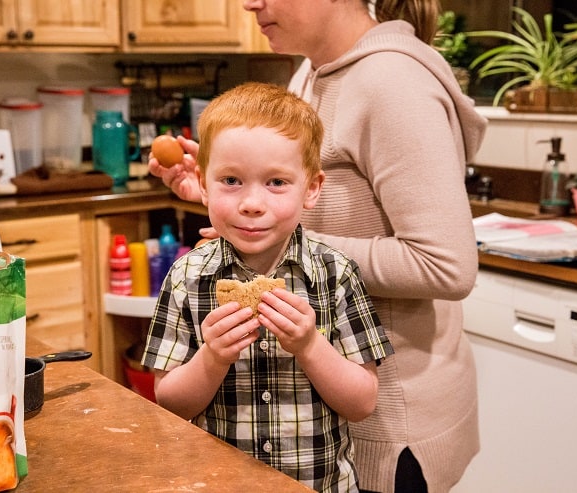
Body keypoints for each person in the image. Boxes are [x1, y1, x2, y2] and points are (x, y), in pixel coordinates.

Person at [148, 2, 488, 492]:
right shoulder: (311, 74)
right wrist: (231, 184)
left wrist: (288, 239)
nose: (250, 3)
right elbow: (305, 194)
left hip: (388, 426)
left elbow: (446, 266)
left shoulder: (393, 81)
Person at [142, 82, 395, 493]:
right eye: (231, 180)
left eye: (276, 182)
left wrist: (311, 346)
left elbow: (362, 403)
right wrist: (212, 358)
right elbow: (169, 401)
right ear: (203, 185)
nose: (252, 203)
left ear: (311, 188)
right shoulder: (186, 278)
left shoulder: (336, 274)